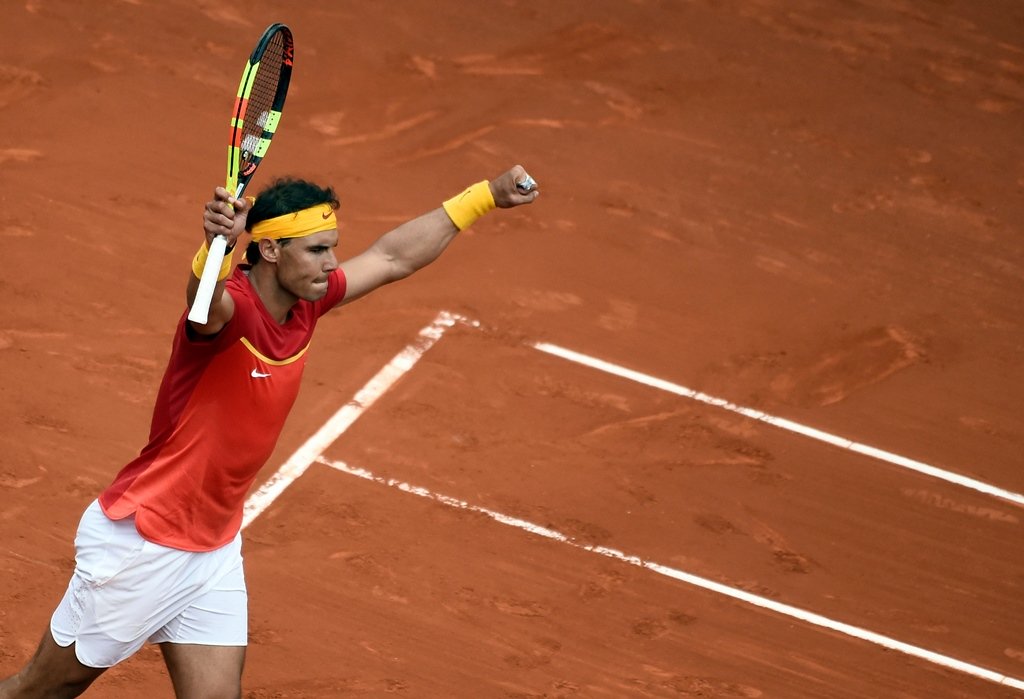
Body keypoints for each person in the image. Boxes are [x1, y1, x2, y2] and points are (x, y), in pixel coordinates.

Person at [0, 166, 539, 698]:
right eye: (317, 250)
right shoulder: (231, 313)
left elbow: (393, 257)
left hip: (211, 548)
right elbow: (203, 302)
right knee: (42, 690)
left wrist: (485, 196)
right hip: (147, 542)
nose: (331, 265)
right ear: (273, 250)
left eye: (332, 248)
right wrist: (214, 249)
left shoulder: (308, 303)